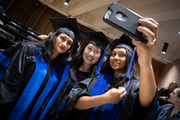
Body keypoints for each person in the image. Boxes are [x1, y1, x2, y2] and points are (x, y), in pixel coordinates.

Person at [57, 18, 159, 120]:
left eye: (122, 55)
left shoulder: (133, 86)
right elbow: (74, 101)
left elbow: (147, 102)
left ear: (129, 60)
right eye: (113, 54)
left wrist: (146, 64)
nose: (116, 57)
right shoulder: (98, 78)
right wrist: (105, 99)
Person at [0, 17, 82, 120]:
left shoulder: (57, 68)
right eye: (63, 38)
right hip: (9, 111)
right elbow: (8, 83)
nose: (64, 44)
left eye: (69, 43)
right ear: (55, 36)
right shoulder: (28, 50)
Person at [41, 31, 110, 119]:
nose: (91, 54)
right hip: (49, 112)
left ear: (100, 56)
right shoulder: (67, 66)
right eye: (89, 48)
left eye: (97, 51)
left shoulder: (97, 80)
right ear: (84, 48)